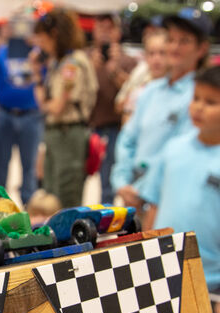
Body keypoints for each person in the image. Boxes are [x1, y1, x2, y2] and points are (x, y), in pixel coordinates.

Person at [139, 67, 220, 313]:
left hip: (209, 286)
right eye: (196, 98)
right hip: (162, 275)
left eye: (211, 102)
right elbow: (154, 205)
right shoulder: (173, 149)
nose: (198, 107)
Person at [112, 8, 211, 209]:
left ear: (201, 49)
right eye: (171, 39)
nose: (175, 47)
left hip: (169, 198)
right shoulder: (150, 91)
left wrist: (143, 189)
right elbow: (128, 138)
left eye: (184, 41)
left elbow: (181, 149)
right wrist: (121, 181)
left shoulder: (201, 97)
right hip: (135, 197)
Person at [31, 9, 98, 207]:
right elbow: (44, 103)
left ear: (55, 35)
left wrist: (46, 104)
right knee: (50, 196)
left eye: (42, 39)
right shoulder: (57, 63)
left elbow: (57, 107)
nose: (40, 45)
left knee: (66, 197)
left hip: (68, 134)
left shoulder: (73, 63)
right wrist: (36, 75)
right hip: (56, 133)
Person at [0, 16, 43, 204]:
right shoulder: (3, 50)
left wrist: (37, 45)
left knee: (29, 166)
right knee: (0, 163)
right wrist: (0, 39)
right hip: (5, 112)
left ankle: (29, 206)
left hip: (31, 115)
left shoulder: (38, 52)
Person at [88, 14, 137, 204]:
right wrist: (91, 68)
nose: (105, 33)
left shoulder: (128, 60)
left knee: (108, 182)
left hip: (115, 128)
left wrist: (114, 70)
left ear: (118, 32)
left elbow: (133, 94)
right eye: (101, 27)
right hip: (90, 127)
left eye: (110, 28)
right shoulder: (86, 58)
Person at [115, 29, 169, 125]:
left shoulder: (178, 85)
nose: (156, 59)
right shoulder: (139, 76)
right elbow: (119, 107)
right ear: (146, 56)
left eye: (162, 53)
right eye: (151, 53)